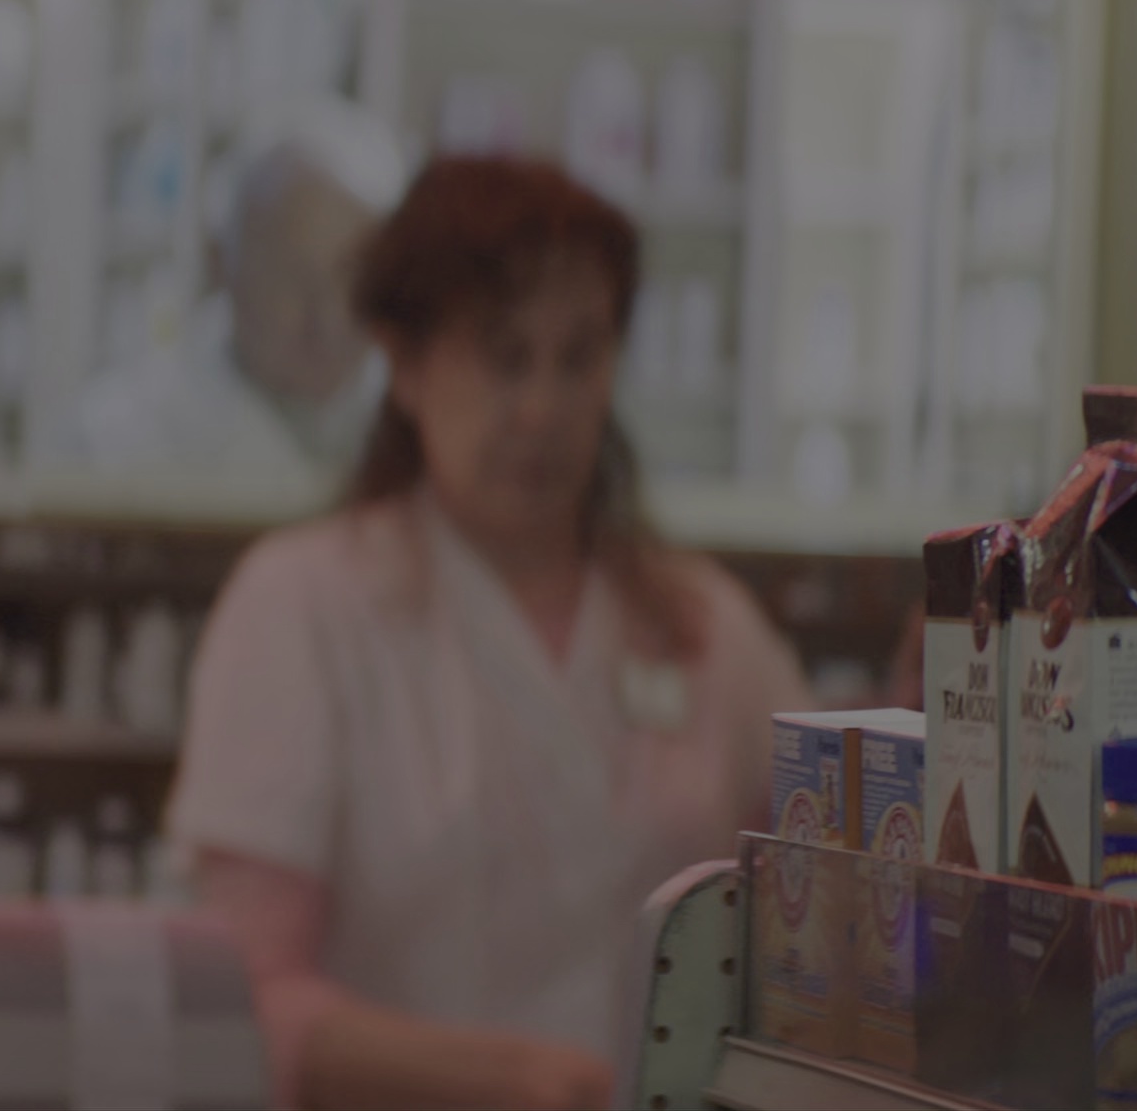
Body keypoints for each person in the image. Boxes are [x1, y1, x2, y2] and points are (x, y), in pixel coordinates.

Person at [167, 156, 811, 1111]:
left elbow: (826, 919)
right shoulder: (303, 607)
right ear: (405, 364)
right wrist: (500, 1081)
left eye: (578, 357)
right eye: (504, 357)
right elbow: (243, 994)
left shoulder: (708, 627)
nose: (542, 408)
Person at [55, 100, 406, 495]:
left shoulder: (416, 417)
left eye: (354, 280)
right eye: (292, 279)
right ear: (220, 264)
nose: (328, 320)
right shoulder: (113, 441)